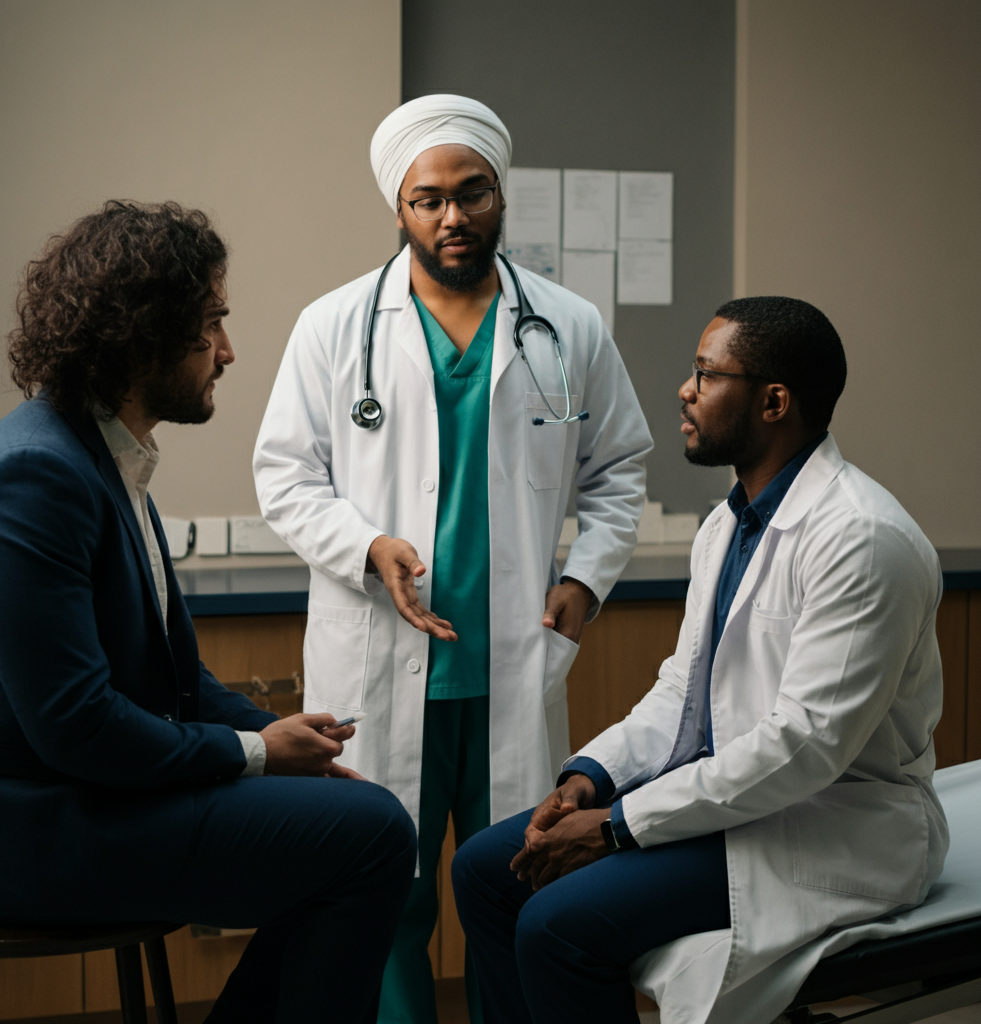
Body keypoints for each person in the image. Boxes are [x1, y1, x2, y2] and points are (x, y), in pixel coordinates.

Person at [0, 201, 417, 1024]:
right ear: (142, 334)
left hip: (87, 801)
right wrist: (251, 753)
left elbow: (172, 677)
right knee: (369, 835)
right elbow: (75, 725)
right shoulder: (30, 476)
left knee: (359, 824)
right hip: (27, 833)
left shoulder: (104, 457)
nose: (230, 350)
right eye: (213, 324)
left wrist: (283, 743)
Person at [253, 94, 652, 1023]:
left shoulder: (567, 326)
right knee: (382, 894)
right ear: (398, 207)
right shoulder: (333, 327)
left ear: (499, 194)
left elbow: (621, 466)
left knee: (517, 884)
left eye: (472, 193)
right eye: (428, 198)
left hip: (511, 657)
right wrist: (369, 545)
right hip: (379, 665)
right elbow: (285, 478)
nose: (453, 216)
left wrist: (585, 580)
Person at [451, 296, 949, 1024]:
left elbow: (803, 747)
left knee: (557, 924)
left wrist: (620, 826)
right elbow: (686, 687)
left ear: (774, 401)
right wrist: (592, 780)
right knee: (483, 872)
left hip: (837, 827)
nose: (685, 391)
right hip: (739, 804)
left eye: (706, 375)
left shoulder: (863, 539)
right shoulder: (730, 522)